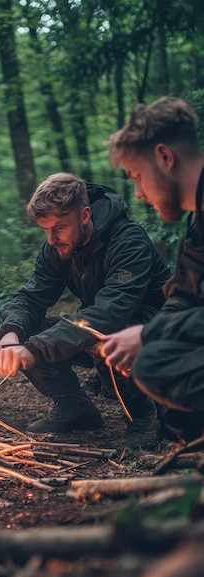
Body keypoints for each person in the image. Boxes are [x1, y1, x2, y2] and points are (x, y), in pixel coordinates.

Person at [0, 172, 172, 449]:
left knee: (104, 338)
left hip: (157, 332)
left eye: (59, 228)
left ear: (85, 215)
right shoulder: (58, 246)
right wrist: (11, 333)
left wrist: (36, 349)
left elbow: (110, 313)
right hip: (104, 323)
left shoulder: (128, 240)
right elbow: (31, 297)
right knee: (29, 330)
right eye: (46, 230)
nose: (51, 239)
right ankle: (75, 410)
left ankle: (143, 418)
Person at [101, 96, 204, 442]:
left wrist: (149, 335)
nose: (139, 193)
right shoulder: (197, 223)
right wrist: (149, 335)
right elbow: (184, 296)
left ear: (164, 157)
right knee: (157, 363)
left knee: (155, 362)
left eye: (137, 177)